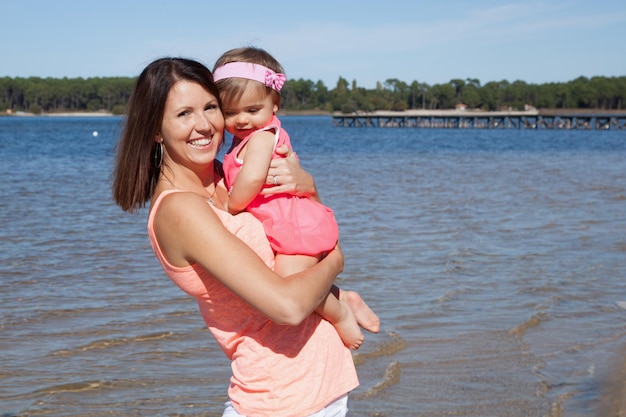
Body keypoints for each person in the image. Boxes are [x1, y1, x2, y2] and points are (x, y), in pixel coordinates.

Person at [111, 57, 379, 417]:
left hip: (320, 383)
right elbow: (288, 306)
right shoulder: (180, 210)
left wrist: (308, 186)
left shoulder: (228, 176)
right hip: (278, 399)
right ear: (156, 129)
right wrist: (336, 261)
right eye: (184, 114)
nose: (204, 125)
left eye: (210, 107)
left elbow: (301, 227)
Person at [213, 47, 364, 350]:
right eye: (230, 112)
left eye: (252, 110)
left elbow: (253, 178)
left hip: (295, 228)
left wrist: (230, 205)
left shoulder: (262, 138)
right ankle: (343, 297)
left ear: (275, 105)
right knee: (301, 278)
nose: (241, 120)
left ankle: (340, 313)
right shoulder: (243, 139)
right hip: (285, 225)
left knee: (288, 283)